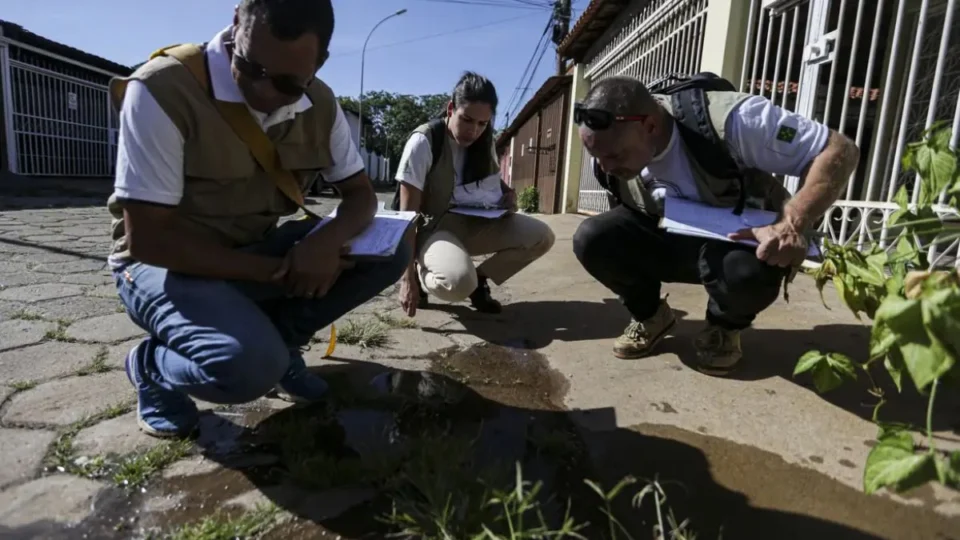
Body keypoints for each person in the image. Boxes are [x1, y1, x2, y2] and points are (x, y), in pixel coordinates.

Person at [107, 0, 409, 438]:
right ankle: (152, 367)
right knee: (248, 367)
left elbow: (361, 197)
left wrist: (323, 244)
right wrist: (281, 270)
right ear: (236, 23)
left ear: (319, 64)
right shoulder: (161, 89)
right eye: (249, 67)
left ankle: (283, 344)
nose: (263, 92)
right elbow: (149, 241)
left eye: (287, 83)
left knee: (391, 246)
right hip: (163, 265)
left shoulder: (322, 104)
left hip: (254, 252)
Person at [572, 75, 860, 375]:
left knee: (747, 274)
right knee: (593, 238)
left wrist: (792, 223)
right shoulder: (606, 151)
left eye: (614, 155)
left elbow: (840, 150)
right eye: (596, 156)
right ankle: (651, 316)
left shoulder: (737, 121)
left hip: (737, 240)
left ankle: (723, 326)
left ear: (651, 126)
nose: (605, 167)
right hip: (669, 234)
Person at [393, 72, 556, 316]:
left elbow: (491, 180)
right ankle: (421, 273)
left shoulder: (484, 141)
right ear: (451, 109)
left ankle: (478, 281)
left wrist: (507, 194)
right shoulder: (424, 141)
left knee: (541, 237)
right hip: (433, 229)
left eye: (482, 123)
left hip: (474, 222)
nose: (473, 131)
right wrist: (406, 279)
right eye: (467, 120)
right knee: (457, 283)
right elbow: (407, 215)